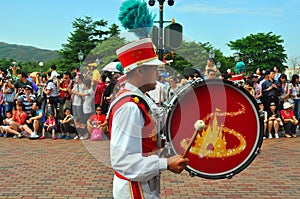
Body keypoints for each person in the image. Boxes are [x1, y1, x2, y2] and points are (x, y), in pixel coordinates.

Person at [109, 38, 189, 199]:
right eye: (154, 69)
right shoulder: (130, 107)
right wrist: (165, 164)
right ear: (140, 71)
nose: (158, 74)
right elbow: (123, 161)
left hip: (142, 184)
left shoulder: (139, 100)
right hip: (135, 189)